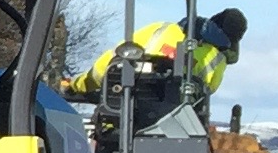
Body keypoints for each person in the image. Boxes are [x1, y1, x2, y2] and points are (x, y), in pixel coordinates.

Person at [83, 7, 245, 102]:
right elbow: (204, 97)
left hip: (119, 119)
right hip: (175, 133)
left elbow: (106, 64)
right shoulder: (217, 60)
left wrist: (78, 86)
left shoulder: (159, 29)